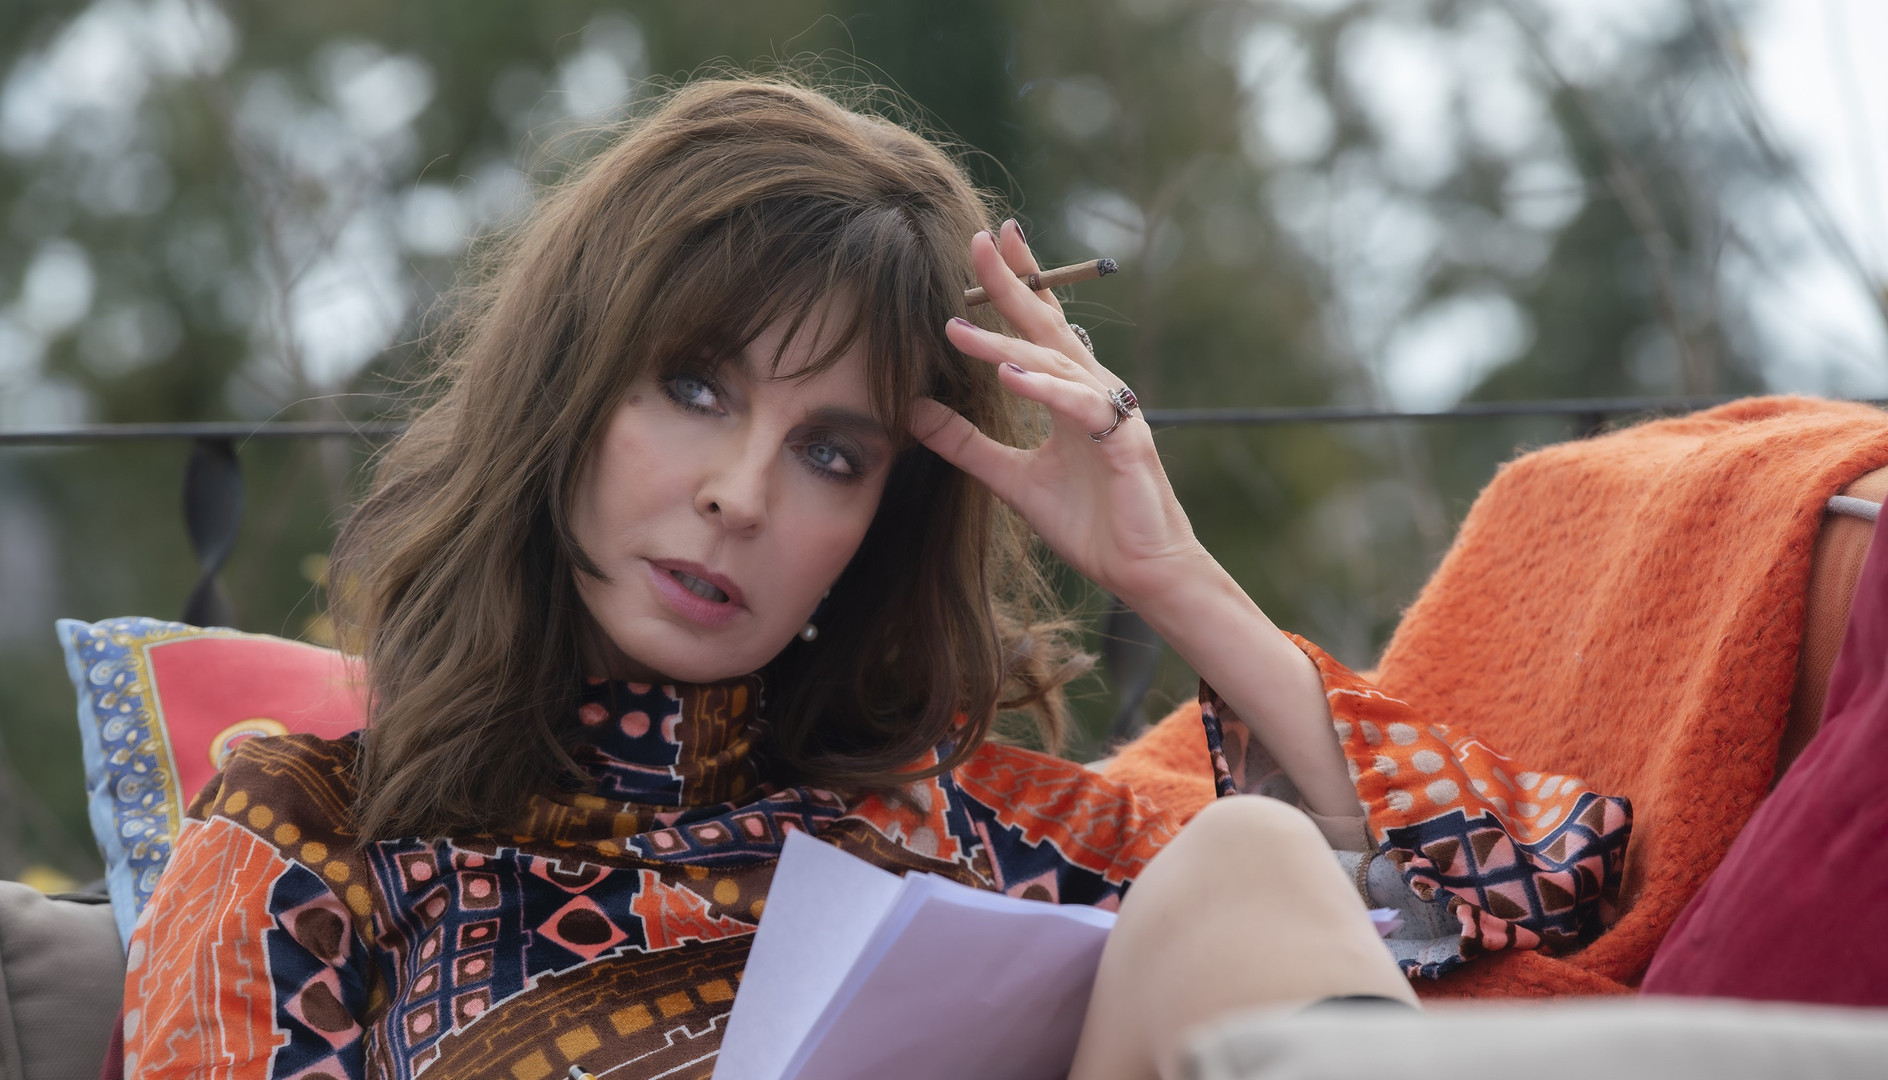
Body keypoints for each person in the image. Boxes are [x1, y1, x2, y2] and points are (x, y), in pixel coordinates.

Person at [119, 78, 1438, 1080]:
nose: (741, 496)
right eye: (695, 389)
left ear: (875, 524)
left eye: (830, 453)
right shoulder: (311, 830)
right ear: (567, 392)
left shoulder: (960, 823)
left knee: (1254, 855)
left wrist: (1171, 574)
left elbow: (1467, 886)